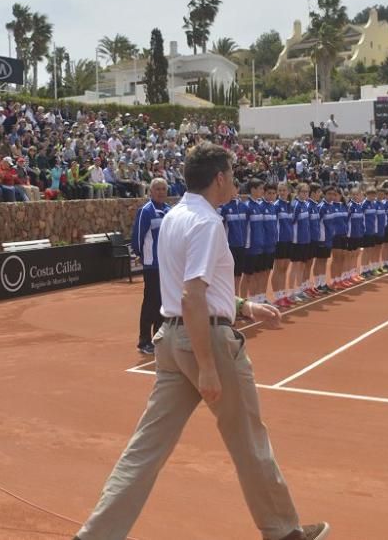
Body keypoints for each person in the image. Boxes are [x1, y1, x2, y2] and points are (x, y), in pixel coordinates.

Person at [74, 142, 329, 540]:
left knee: (144, 450)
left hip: (172, 342)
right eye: (233, 175)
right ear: (220, 178)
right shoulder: (208, 223)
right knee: (249, 442)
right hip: (203, 340)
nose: (236, 183)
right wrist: (208, 365)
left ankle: (96, 535)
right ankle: (283, 532)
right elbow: (193, 295)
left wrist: (243, 306)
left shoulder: (176, 216)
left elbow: (187, 289)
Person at [131, 178, 170, 355]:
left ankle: (158, 337)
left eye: (164, 189)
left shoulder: (169, 211)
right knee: (150, 303)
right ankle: (144, 340)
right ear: (151, 192)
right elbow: (137, 236)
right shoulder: (145, 211)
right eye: (158, 189)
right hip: (152, 265)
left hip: (166, 266)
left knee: (163, 302)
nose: (161, 192)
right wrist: (141, 255)